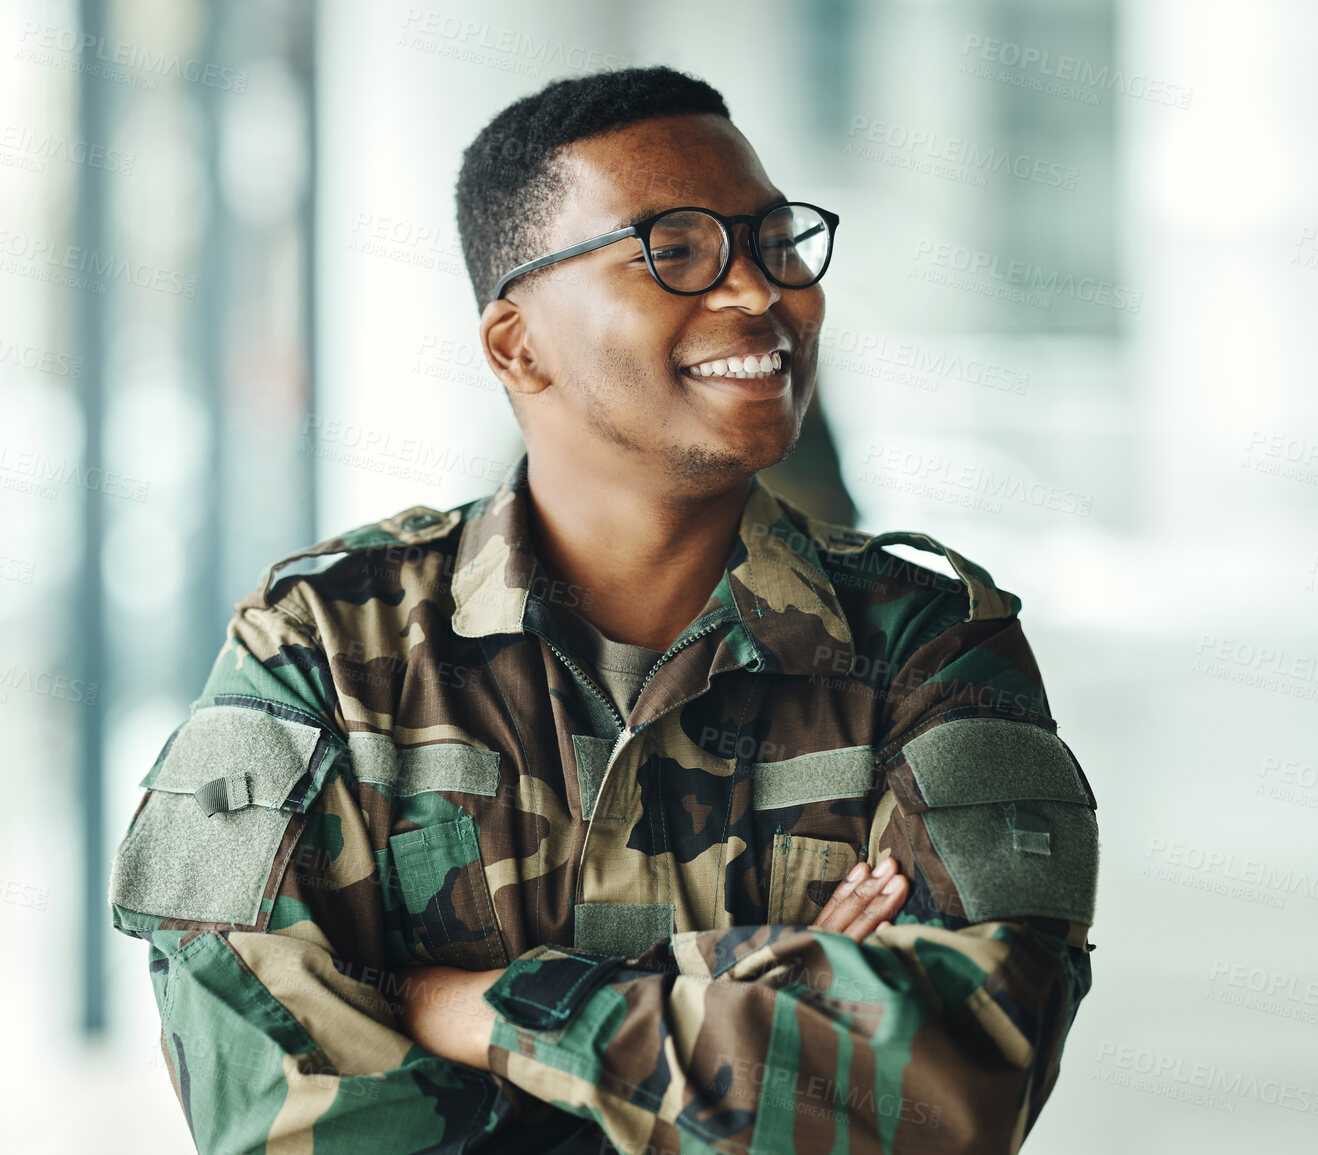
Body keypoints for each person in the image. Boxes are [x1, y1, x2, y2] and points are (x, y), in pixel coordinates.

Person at [109, 65, 1098, 1154]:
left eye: (776, 243)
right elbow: (281, 1112)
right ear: (516, 345)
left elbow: (945, 1088)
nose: (760, 293)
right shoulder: (328, 650)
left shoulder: (930, 647)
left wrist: (477, 1007)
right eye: (675, 250)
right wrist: (753, 1000)